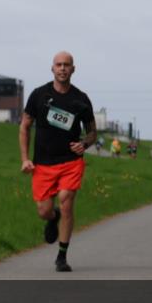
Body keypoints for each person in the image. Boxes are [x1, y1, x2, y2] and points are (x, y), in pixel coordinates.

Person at [19, 52, 97, 272]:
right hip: (43, 163)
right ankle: (53, 218)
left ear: (73, 69)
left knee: (66, 199)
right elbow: (24, 126)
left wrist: (85, 143)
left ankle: (62, 256)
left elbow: (92, 132)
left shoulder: (81, 99)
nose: (63, 68)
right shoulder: (38, 95)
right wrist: (25, 159)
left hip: (71, 161)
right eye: (59, 65)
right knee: (44, 211)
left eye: (67, 65)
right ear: (52, 68)